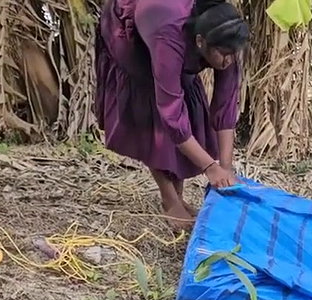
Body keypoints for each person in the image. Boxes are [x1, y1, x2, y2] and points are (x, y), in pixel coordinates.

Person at [95, 0, 250, 231]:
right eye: (223, 54)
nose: (228, 60)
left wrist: (225, 168)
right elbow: (170, 116)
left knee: (190, 105)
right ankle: (170, 201)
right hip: (132, 36)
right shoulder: (168, 35)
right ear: (200, 42)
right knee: (153, 112)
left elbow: (225, 105)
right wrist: (211, 168)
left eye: (232, 55)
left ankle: (178, 197)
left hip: (174, 32)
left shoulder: (223, 32)